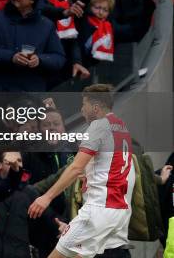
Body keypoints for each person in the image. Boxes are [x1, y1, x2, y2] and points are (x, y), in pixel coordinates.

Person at [29, 84, 135, 257]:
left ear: (95, 107)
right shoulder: (121, 127)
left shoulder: (98, 127)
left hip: (98, 210)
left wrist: (46, 197)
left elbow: (76, 167)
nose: (82, 109)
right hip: (120, 212)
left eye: (84, 104)